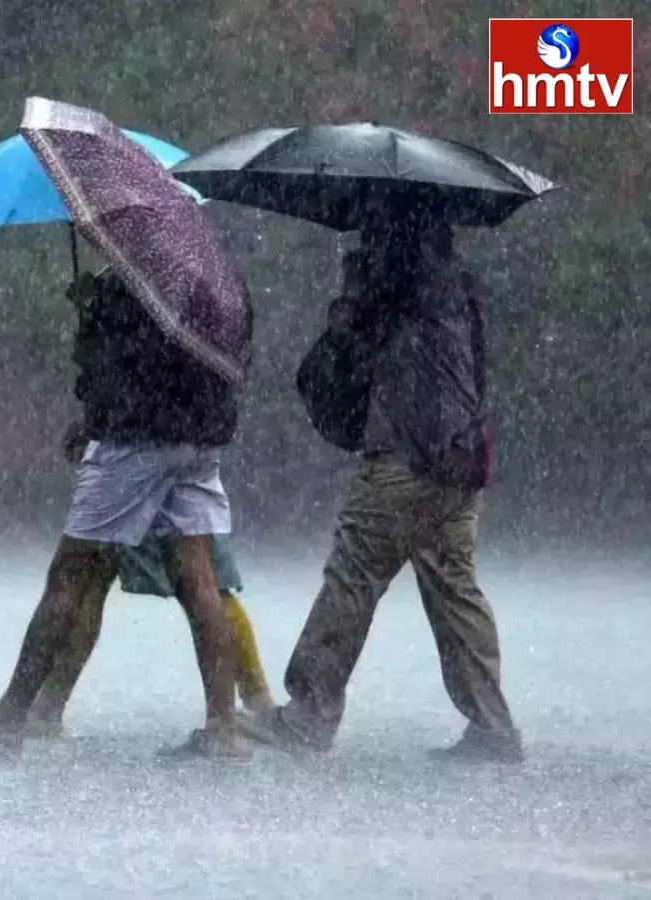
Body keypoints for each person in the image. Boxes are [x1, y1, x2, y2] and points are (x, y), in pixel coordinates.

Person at [0, 266, 252, 761]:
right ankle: (223, 730)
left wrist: (94, 311)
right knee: (199, 578)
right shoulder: (217, 278)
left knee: (72, 572)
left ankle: (10, 715)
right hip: (202, 439)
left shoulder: (133, 277)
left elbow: (115, 370)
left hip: (137, 439)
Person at [244, 201, 523, 763]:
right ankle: (492, 725)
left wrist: (353, 294)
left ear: (392, 233)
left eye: (374, 229)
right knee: (455, 590)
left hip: (406, 460)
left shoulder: (396, 282)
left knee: (352, 576)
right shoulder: (458, 287)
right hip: (460, 459)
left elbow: (339, 352)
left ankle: (307, 716)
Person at [22, 424, 275, 738]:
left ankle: (45, 708)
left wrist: (97, 418)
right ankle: (251, 708)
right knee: (207, 584)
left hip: (138, 438)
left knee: (90, 575)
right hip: (193, 434)